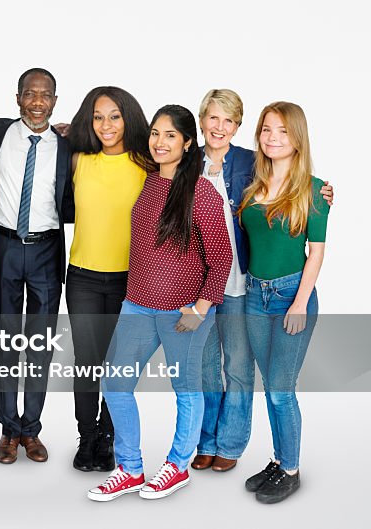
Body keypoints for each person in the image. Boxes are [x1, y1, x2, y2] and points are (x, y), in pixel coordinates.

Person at [88, 105, 233, 502]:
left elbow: (221, 257)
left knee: (185, 389)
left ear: (188, 143)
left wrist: (201, 309)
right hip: (137, 304)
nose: (160, 142)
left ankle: (178, 465)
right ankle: (130, 469)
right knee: (115, 385)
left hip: (184, 309)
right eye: (155, 133)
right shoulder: (150, 183)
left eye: (171, 135)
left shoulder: (201, 191)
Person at [192, 91, 333, 474]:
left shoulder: (250, 163)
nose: (220, 127)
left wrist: (321, 192)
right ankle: (206, 442)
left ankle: (235, 446)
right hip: (203, 285)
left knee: (242, 368)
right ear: (201, 120)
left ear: (238, 126)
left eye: (229, 120)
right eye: (213, 118)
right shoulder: (189, 162)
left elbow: (299, 193)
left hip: (247, 284)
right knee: (205, 366)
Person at [0, 68, 73, 466]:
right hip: (3, 248)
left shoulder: (67, 145)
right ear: (18, 97)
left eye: (45, 95)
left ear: (55, 101)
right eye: (30, 94)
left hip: (46, 250)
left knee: (40, 344)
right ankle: (8, 430)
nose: (38, 101)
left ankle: (31, 429)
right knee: (7, 342)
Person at [239, 102, 328, 504]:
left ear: (297, 139)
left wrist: (299, 303)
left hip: (293, 295)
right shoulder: (251, 185)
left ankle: (290, 470)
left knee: (280, 388)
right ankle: (278, 459)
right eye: (266, 129)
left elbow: (317, 251)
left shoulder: (314, 189)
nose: (273, 138)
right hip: (255, 296)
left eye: (283, 131)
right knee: (269, 386)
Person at [64, 86, 154, 472]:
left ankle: (108, 436)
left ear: (128, 117)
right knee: (87, 362)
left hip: (130, 281)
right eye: (98, 116)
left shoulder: (146, 163)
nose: (106, 125)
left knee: (118, 366)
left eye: (114, 116)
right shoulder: (78, 160)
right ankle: (87, 439)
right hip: (83, 277)